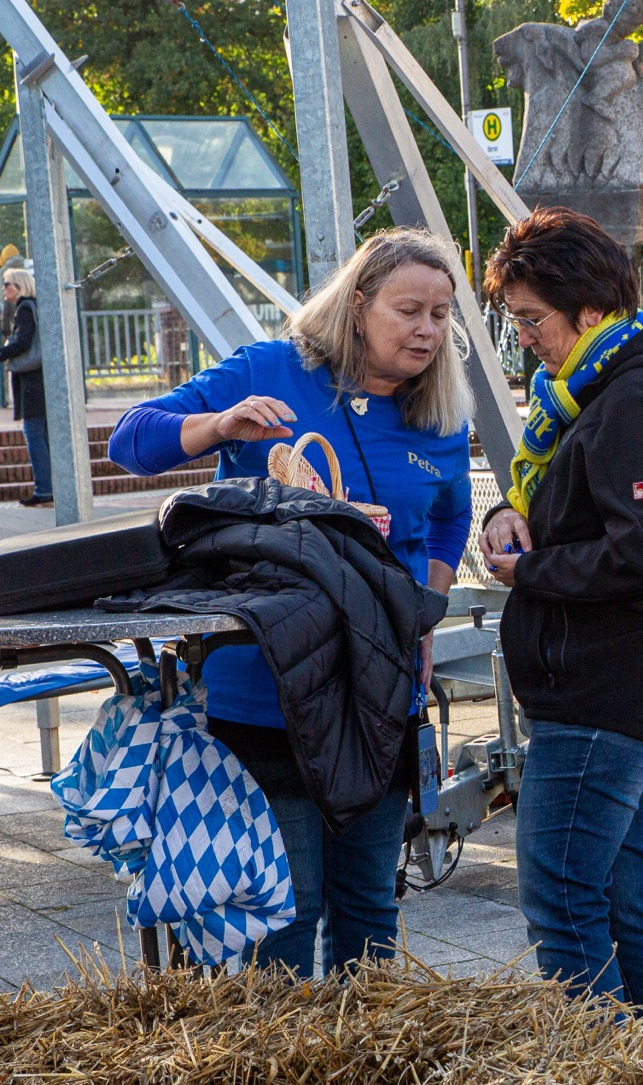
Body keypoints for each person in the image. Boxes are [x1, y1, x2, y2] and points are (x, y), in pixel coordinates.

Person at [109, 227, 474, 978]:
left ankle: (369, 1071)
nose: (427, 330)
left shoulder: (439, 411)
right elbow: (130, 440)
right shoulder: (274, 371)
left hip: (378, 694)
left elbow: (450, 516)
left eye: (441, 315)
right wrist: (217, 426)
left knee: (371, 901)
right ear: (358, 303)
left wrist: (427, 609)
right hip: (265, 687)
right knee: (288, 904)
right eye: (410, 309)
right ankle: (284, 1081)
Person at [476, 207, 643, 1013]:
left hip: (607, 684)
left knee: (560, 897)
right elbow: (567, 495)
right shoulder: (599, 384)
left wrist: (532, 568)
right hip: (619, 678)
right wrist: (508, 517)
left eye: (531, 320)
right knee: (621, 891)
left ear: (587, 310)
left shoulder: (633, 397)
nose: (525, 342)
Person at [0, 267, 53, 507]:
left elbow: (22, 342)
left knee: (33, 433)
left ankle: (44, 489)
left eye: (7, 284)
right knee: (44, 434)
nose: (4, 289)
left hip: (31, 381)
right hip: (41, 378)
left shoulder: (25, 309)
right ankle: (50, 487)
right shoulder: (35, 306)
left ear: (19, 286)